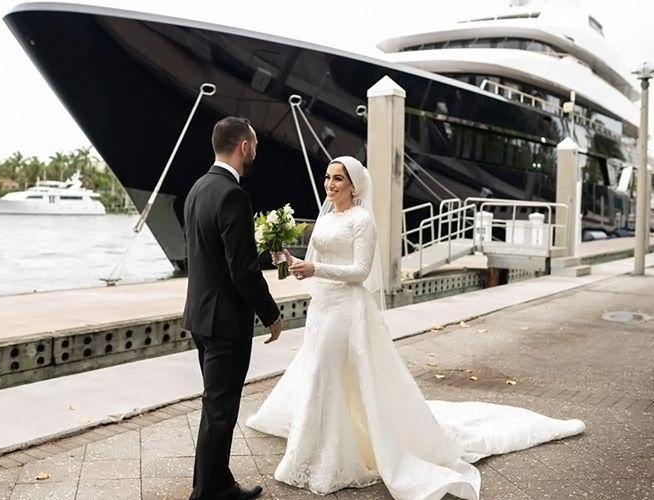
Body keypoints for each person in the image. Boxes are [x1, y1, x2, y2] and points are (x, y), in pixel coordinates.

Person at [247, 156, 585, 499]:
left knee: (324, 373)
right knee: (324, 374)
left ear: (353, 185)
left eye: (337, 179)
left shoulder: (362, 221)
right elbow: (313, 261)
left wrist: (316, 269)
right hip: (321, 308)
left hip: (345, 310)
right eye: (327, 177)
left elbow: (360, 272)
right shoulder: (327, 217)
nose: (330, 184)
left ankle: (328, 458)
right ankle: (317, 449)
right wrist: (286, 260)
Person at [183, 116, 283, 500]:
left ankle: (220, 483)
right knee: (220, 410)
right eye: (254, 145)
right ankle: (207, 494)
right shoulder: (232, 194)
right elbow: (240, 270)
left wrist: (263, 253)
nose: (255, 151)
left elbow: (215, 255)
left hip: (200, 316)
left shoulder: (198, 188)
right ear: (244, 146)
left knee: (216, 406)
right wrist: (271, 314)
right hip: (225, 322)